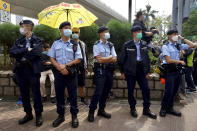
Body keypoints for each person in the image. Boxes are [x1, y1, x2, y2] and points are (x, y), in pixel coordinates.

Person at [48, 21, 82, 128]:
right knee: (59, 95)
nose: (68, 30)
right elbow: (51, 58)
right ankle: (61, 115)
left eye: (69, 28)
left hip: (71, 73)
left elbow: (78, 59)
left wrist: (66, 66)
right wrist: (59, 67)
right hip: (59, 74)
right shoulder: (55, 43)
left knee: (73, 95)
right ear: (60, 30)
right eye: (66, 28)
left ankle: (74, 116)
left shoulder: (75, 43)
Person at [118, 25, 157, 119]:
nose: (140, 33)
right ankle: (132, 108)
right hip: (130, 71)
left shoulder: (144, 44)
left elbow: (146, 58)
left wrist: (147, 71)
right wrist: (122, 72)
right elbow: (121, 59)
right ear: (133, 33)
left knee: (146, 89)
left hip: (141, 70)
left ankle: (146, 109)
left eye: (140, 31)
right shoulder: (127, 45)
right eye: (138, 31)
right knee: (131, 90)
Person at [10, 20, 43, 127]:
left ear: (29, 27)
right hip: (21, 71)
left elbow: (37, 53)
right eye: (21, 26)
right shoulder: (19, 40)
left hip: (32, 71)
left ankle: (38, 115)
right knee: (24, 94)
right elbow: (12, 52)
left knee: (36, 94)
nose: (21, 28)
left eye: (23, 26)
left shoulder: (38, 40)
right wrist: (26, 49)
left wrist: (23, 57)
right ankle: (28, 114)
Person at [160, 29, 197, 117]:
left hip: (177, 72)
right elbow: (168, 60)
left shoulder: (178, 45)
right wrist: (180, 62)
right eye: (174, 34)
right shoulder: (165, 46)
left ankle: (170, 108)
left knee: (174, 91)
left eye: (177, 34)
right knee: (168, 91)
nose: (176, 35)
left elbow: (193, 45)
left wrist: (182, 38)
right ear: (169, 35)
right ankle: (163, 108)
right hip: (169, 71)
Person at [88, 26, 117, 122]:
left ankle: (101, 110)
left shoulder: (110, 45)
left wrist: (105, 59)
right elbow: (99, 60)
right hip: (100, 70)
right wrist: (109, 58)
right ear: (100, 34)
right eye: (105, 32)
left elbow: (115, 58)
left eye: (108, 32)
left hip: (109, 70)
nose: (107, 33)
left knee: (106, 92)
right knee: (98, 91)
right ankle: (91, 112)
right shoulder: (96, 45)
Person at [65, 27, 89, 106]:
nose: (75, 34)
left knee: (81, 84)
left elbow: (85, 56)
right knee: (68, 84)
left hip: (81, 67)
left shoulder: (82, 44)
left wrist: (86, 67)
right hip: (70, 66)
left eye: (76, 32)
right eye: (73, 32)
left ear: (79, 33)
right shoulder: (68, 43)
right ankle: (68, 99)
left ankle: (83, 99)